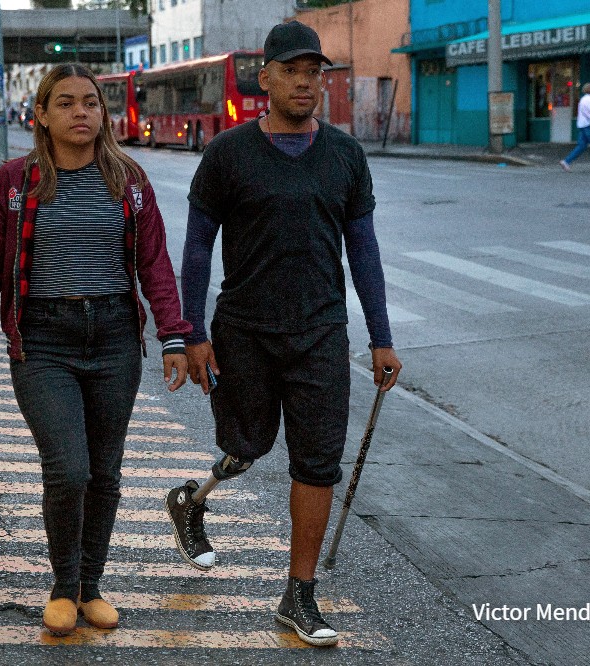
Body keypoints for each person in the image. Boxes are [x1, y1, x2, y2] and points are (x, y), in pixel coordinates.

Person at [164, 21, 402, 647]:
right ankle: (192, 500)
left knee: (317, 461)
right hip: (244, 330)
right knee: (247, 444)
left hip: (321, 331)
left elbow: (365, 251)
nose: (305, 82)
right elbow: (196, 249)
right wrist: (190, 332)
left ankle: (298, 596)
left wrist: (381, 336)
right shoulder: (228, 154)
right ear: (264, 78)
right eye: (292, 71)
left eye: (315, 71)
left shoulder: (346, 156)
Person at [0, 63, 191, 636]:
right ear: (40, 114)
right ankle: (62, 587)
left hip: (113, 337)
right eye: (65, 103)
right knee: (69, 469)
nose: (80, 112)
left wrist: (173, 335)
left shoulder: (128, 179)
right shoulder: (14, 183)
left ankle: (91, 587)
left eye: (91, 102)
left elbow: (154, 261)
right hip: (43, 343)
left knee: (105, 472)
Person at [560, 82, 590, 172]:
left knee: (582, 145)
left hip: (582, 124)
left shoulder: (583, 99)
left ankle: (566, 161)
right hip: (589, 125)